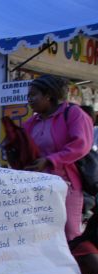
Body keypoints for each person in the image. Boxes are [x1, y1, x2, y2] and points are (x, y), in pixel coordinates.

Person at [24, 75, 94, 240]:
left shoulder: (74, 114)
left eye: (33, 95)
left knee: (70, 233)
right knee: (42, 233)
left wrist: (50, 160)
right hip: (38, 187)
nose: (29, 99)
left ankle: (78, 265)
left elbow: (81, 145)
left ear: (48, 96)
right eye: (28, 96)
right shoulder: (31, 123)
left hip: (66, 186)